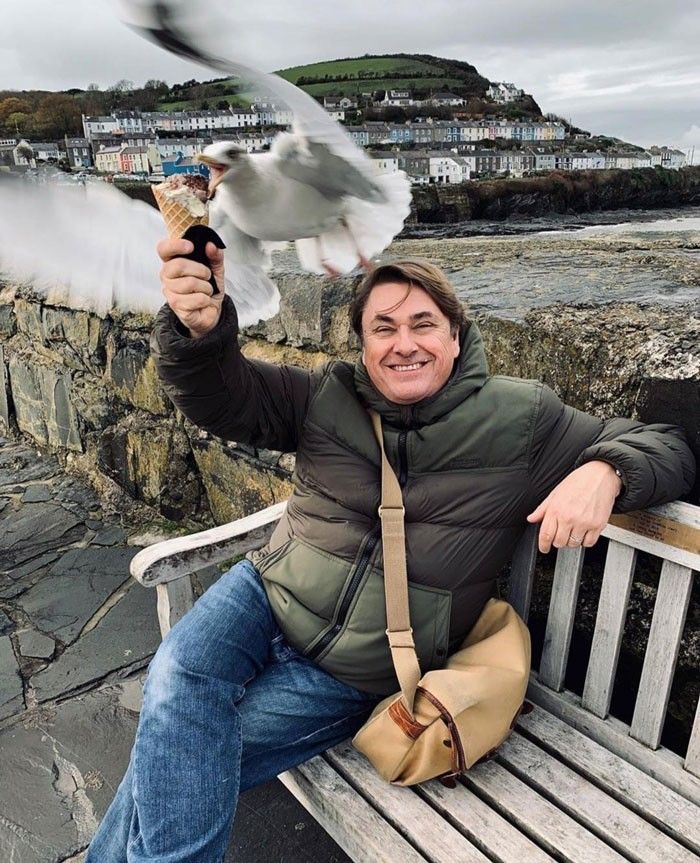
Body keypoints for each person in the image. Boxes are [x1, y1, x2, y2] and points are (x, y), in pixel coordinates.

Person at [87, 238, 695, 862]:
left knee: (180, 747)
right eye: (383, 328)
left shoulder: (523, 419)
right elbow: (222, 395)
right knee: (178, 678)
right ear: (364, 346)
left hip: (358, 668)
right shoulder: (327, 394)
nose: (403, 343)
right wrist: (198, 330)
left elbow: (671, 444)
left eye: (423, 324)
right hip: (264, 595)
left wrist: (607, 471)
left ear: (457, 336)